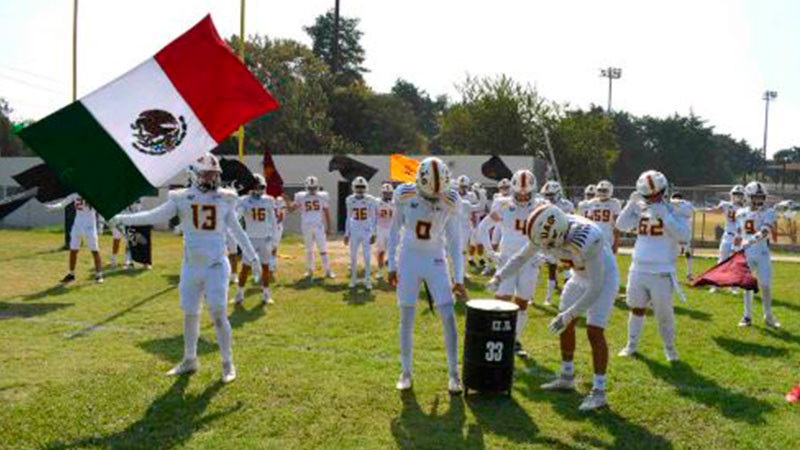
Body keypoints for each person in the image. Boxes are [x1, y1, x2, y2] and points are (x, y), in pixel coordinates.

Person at [113, 153, 261, 384]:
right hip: (191, 266)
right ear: (193, 174)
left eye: (214, 174)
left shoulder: (225, 198)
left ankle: (227, 362)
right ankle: (189, 359)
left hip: (215, 265)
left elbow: (236, 230)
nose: (212, 178)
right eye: (207, 173)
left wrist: (251, 257)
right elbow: (154, 215)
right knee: (190, 314)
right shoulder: (181, 198)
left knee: (219, 313)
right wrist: (123, 218)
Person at [489, 204, 619, 411]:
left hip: (602, 278)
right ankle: (567, 375)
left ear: (557, 234)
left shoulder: (587, 237)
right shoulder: (548, 229)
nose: (544, 246)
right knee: (564, 325)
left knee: (594, 331)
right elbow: (521, 257)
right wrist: (499, 276)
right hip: (578, 276)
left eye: (547, 243)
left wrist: (569, 314)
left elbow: (595, 287)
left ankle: (599, 391)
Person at [389, 157, 468, 394]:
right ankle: (405, 372)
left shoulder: (451, 200)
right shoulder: (405, 195)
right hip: (409, 258)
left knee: (448, 315)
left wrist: (459, 278)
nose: (435, 199)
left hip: (435, 257)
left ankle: (454, 374)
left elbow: (455, 242)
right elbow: (394, 231)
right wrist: (391, 265)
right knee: (407, 316)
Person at [616, 170, 690, 362]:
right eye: (648, 195)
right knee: (636, 308)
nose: (652, 198)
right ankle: (631, 345)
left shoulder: (676, 209)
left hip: (662, 270)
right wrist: (630, 205)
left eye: (655, 194)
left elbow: (684, 236)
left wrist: (665, 216)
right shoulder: (641, 207)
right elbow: (621, 225)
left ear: (664, 191)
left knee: (664, 314)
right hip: (638, 267)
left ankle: (670, 349)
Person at [478, 169, 541, 358]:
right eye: (519, 193)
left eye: (526, 194)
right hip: (507, 259)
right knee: (502, 299)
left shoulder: (541, 206)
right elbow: (483, 228)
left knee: (522, 301)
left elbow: (551, 233)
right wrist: (490, 252)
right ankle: (496, 336)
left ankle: (515, 340)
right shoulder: (503, 204)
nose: (522, 197)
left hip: (529, 260)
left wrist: (547, 253)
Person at [735, 181, 780, 328]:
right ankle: (747, 316)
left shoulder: (768, 212)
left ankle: (768, 316)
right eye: (756, 196)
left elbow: (766, 231)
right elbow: (739, 233)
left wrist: (751, 240)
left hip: (762, 253)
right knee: (747, 285)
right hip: (747, 254)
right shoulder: (741, 212)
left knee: (765, 285)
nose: (759, 200)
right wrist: (736, 247)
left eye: (761, 197)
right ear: (748, 197)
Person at [234, 174, 278, 306]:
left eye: (261, 187)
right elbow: (237, 217)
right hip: (250, 239)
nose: (259, 189)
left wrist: (274, 239)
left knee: (265, 267)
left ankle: (266, 294)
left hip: (264, 238)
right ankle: (240, 294)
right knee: (245, 268)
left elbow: (273, 221)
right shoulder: (244, 200)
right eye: (257, 186)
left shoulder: (268, 200)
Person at [45, 193, 104, 283]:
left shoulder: (93, 194)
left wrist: (100, 226)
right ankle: (71, 274)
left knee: (95, 250)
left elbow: (100, 210)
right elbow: (63, 204)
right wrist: (53, 207)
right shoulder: (75, 194)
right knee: (73, 250)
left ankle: (99, 275)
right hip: (77, 225)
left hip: (90, 226)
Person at [290, 176, 335, 279]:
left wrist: (329, 227)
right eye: (310, 188)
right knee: (309, 249)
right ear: (306, 187)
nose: (312, 190)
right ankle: (310, 270)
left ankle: (327, 270)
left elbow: (326, 212)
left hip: (318, 225)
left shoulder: (322, 196)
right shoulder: (300, 196)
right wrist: (287, 202)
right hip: (306, 226)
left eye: (314, 187)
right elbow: (292, 209)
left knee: (323, 249)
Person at [703, 185, 745, 293]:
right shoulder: (726, 205)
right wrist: (704, 210)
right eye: (735, 194)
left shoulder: (745, 209)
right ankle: (715, 285)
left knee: (735, 263)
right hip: (728, 235)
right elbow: (716, 210)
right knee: (721, 261)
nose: (737, 197)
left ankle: (733, 286)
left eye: (739, 195)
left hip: (739, 237)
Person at [540, 180, 575, 305]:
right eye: (547, 195)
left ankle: (566, 298)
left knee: (566, 268)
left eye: (550, 194)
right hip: (548, 239)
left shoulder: (567, 205)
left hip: (563, 239)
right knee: (551, 268)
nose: (548, 197)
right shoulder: (543, 205)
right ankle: (548, 298)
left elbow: (572, 222)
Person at [344, 176, 377, 289]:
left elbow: (373, 217)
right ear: (354, 187)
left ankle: (367, 280)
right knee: (353, 257)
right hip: (354, 229)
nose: (360, 189)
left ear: (366, 187)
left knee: (367, 256)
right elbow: (348, 217)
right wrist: (346, 234)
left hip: (366, 229)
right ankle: (353, 279)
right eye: (358, 187)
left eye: (362, 187)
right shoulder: (349, 199)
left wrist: (374, 233)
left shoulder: (371, 199)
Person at [586, 180, 622, 253]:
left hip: (608, 237)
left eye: (604, 190)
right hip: (595, 236)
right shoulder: (592, 202)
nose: (602, 192)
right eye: (600, 190)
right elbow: (588, 223)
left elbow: (617, 225)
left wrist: (616, 243)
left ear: (610, 190)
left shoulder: (614, 203)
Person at [670, 192, 695, 281]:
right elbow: (691, 213)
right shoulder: (688, 204)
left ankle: (671, 273)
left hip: (675, 230)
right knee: (687, 253)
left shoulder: (671, 204)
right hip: (686, 230)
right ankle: (689, 273)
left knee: (672, 253)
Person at [375, 183, 395, 282]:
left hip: (392, 230)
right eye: (385, 193)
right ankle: (379, 271)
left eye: (389, 193)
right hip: (381, 229)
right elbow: (373, 217)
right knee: (381, 251)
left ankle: (392, 270)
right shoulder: (377, 202)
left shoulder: (395, 203)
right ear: (382, 193)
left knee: (393, 251)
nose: (387, 195)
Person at [271, 194, 288, 274]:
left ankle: (272, 266)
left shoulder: (279, 200)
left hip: (275, 225)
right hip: (265, 225)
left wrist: (275, 223)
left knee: (273, 247)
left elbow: (282, 215)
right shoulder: (264, 199)